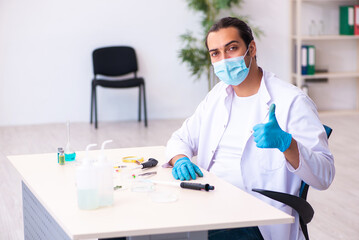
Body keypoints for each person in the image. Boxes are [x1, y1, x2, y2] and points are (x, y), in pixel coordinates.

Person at [165, 17, 335, 240]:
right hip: (210, 204)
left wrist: (288, 144)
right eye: (215, 53)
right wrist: (181, 159)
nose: (224, 60)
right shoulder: (218, 94)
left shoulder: (292, 101)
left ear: (251, 48)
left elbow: (325, 175)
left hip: (256, 219)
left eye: (232, 48)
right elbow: (181, 138)